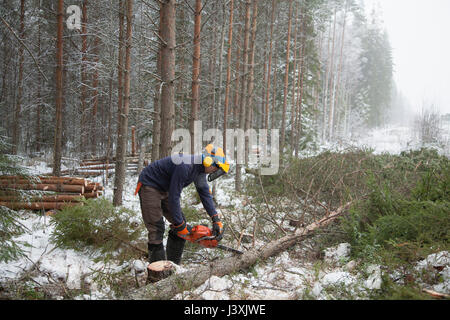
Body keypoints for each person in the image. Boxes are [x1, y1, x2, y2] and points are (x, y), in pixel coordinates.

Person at [135, 144, 230, 265]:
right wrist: (180, 224)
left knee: (180, 224)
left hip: (166, 188)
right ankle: (157, 275)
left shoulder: (200, 171)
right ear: (208, 162)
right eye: (216, 168)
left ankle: (173, 265)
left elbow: (205, 194)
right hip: (150, 184)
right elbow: (174, 196)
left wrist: (215, 218)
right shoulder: (185, 165)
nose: (215, 171)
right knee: (157, 228)